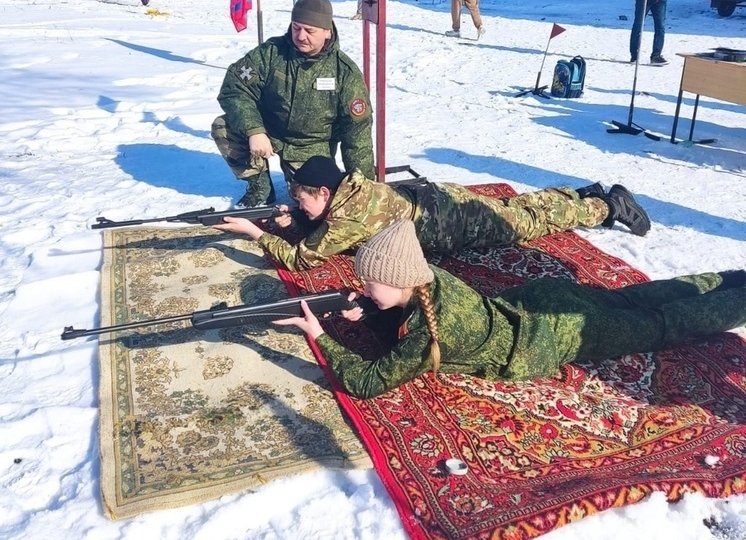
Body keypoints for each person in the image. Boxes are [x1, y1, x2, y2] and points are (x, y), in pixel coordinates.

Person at [276, 219, 746, 399]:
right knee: (639, 297)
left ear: (401, 279)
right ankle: (726, 279)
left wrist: (319, 336)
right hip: (543, 300)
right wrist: (374, 312)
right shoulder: (428, 281)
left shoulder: (429, 336)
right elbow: (401, 312)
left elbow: (365, 383)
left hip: (554, 330)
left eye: (372, 283)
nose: (364, 289)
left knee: (662, 324)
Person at [212, 154, 651, 271]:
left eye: (303, 198)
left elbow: (303, 259)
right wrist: (298, 220)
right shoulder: (352, 190)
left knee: (525, 223)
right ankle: (577, 196)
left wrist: (257, 233)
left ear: (325, 193)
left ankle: (606, 205)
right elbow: (321, 223)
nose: (299, 204)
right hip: (439, 199)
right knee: (514, 206)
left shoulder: (346, 216)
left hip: (451, 225)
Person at [211, 0, 374, 207]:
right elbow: (234, 89)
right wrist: (254, 130)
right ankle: (260, 188)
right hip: (271, 132)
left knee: (311, 204)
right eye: (296, 27)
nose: (301, 36)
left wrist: (365, 189)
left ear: (327, 31)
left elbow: (357, 134)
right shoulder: (271, 53)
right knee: (223, 126)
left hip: (311, 147)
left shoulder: (344, 72)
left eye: (310, 30)